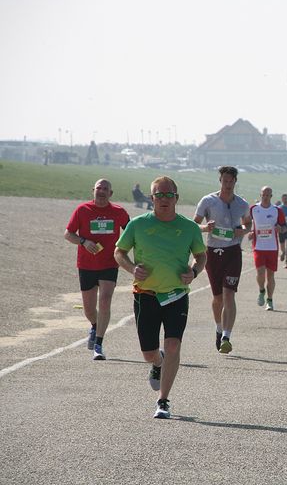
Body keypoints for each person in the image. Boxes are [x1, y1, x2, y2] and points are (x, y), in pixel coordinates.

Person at [115, 176, 206, 419]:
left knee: (173, 343)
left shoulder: (189, 228)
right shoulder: (137, 225)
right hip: (146, 294)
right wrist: (132, 268)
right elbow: (119, 252)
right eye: (158, 194)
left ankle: (163, 400)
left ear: (176, 198)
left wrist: (194, 271)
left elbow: (200, 256)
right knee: (149, 353)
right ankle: (158, 363)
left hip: (176, 294)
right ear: (151, 198)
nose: (164, 199)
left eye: (168, 195)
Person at [65, 178, 130, 360]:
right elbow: (68, 234)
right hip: (86, 264)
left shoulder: (118, 212)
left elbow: (131, 231)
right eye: (99, 188)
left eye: (105, 189)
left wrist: (125, 248)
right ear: (93, 190)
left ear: (111, 193)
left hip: (109, 264)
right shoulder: (82, 210)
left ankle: (99, 344)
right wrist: (84, 242)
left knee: (105, 300)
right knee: (88, 308)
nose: (101, 191)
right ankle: (94, 325)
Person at [193, 166, 251, 354]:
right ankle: (219, 328)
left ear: (235, 182)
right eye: (224, 181)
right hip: (213, 252)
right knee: (217, 298)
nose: (227, 184)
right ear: (220, 181)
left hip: (233, 252)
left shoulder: (242, 203)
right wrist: (205, 228)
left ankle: (227, 336)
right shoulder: (208, 201)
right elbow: (194, 225)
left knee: (229, 294)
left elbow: (248, 224)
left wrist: (242, 229)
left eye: (231, 181)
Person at [248, 186, 286, 311]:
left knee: (270, 276)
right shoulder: (253, 209)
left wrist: (280, 229)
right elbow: (246, 224)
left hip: (272, 247)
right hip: (258, 246)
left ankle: (270, 300)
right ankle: (261, 290)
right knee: (260, 273)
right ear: (260, 195)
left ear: (271, 196)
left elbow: (284, 227)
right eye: (263, 195)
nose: (265, 197)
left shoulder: (277, 210)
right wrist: (249, 233)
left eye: (268, 195)